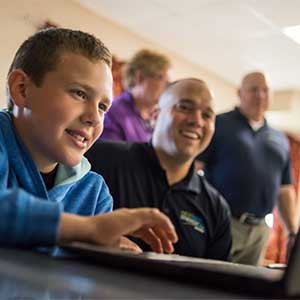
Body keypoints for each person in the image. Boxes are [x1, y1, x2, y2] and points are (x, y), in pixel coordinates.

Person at [0, 28, 178, 255]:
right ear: (22, 89)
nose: (94, 118)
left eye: (103, 107)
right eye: (79, 94)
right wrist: (86, 228)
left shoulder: (94, 193)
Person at [86, 78, 232, 260]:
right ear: (155, 115)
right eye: (184, 107)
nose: (197, 121)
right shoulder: (99, 159)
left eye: (207, 115)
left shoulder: (216, 208)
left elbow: (216, 283)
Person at [197, 71, 298, 265]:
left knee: (246, 289)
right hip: (222, 222)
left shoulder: (280, 139)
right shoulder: (218, 124)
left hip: (260, 229)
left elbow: (284, 190)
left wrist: (292, 233)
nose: (260, 95)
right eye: (253, 89)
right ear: (240, 93)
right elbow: (194, 168)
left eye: (265, 90)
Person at [100, 49, 170, 142]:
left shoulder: (155, 121)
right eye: (161, 78)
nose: (166, 85)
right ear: (140, 78)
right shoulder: (114, 112)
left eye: (167, 80)